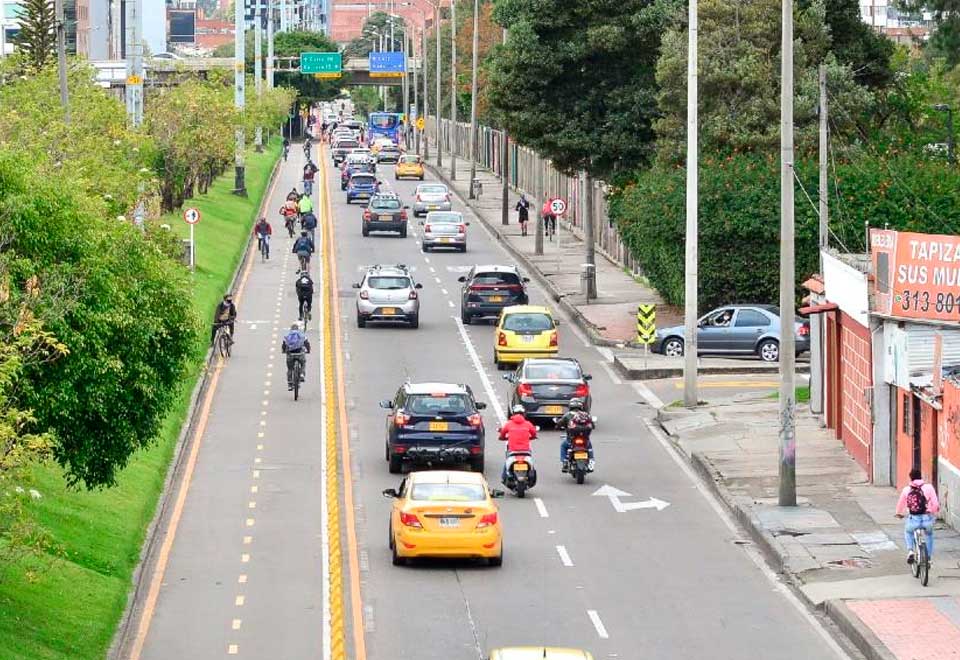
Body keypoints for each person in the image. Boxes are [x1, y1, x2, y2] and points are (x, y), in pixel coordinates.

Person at [896, 468, 941, 565]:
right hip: (927, 518)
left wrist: (899, 513)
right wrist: (932, 511)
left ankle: (911, 551)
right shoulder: (929, 487)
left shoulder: (906, 489)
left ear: (910, 478)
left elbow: (900, 504)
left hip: (913, 519)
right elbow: (936, 504)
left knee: (908, 532)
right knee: (929, 535)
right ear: (921, 476)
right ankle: (928, 558)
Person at [498, 404, 538, 482]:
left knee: (507, 462)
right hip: (526, 451)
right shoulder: (528, 424)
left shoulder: (509, 424)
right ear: (523, 414)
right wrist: (532, 437)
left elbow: (502, 433)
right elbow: (534, 433)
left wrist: (502, 438)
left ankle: (504, 478)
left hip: (513, 451)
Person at [556, 398, 595, 471]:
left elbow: (559, 424)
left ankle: (564, 462)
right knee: (589, 446)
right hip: (584, 440)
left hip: (571, 439)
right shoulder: (586, 415)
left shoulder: (567, 415)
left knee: (563, 446)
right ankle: (591, 460)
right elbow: (592, 426)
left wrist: (557, 426)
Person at [281, 322, 311, 391]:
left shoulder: (287, 335)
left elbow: (284, 345)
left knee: (290, 369)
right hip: (300, 354)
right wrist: (308, 350)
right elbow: (307, 343)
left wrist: (284, 351)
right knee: (303, 363)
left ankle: (290, 384)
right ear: (298, 329)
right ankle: (302, 374)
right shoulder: (301, 334)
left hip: (290, 355)